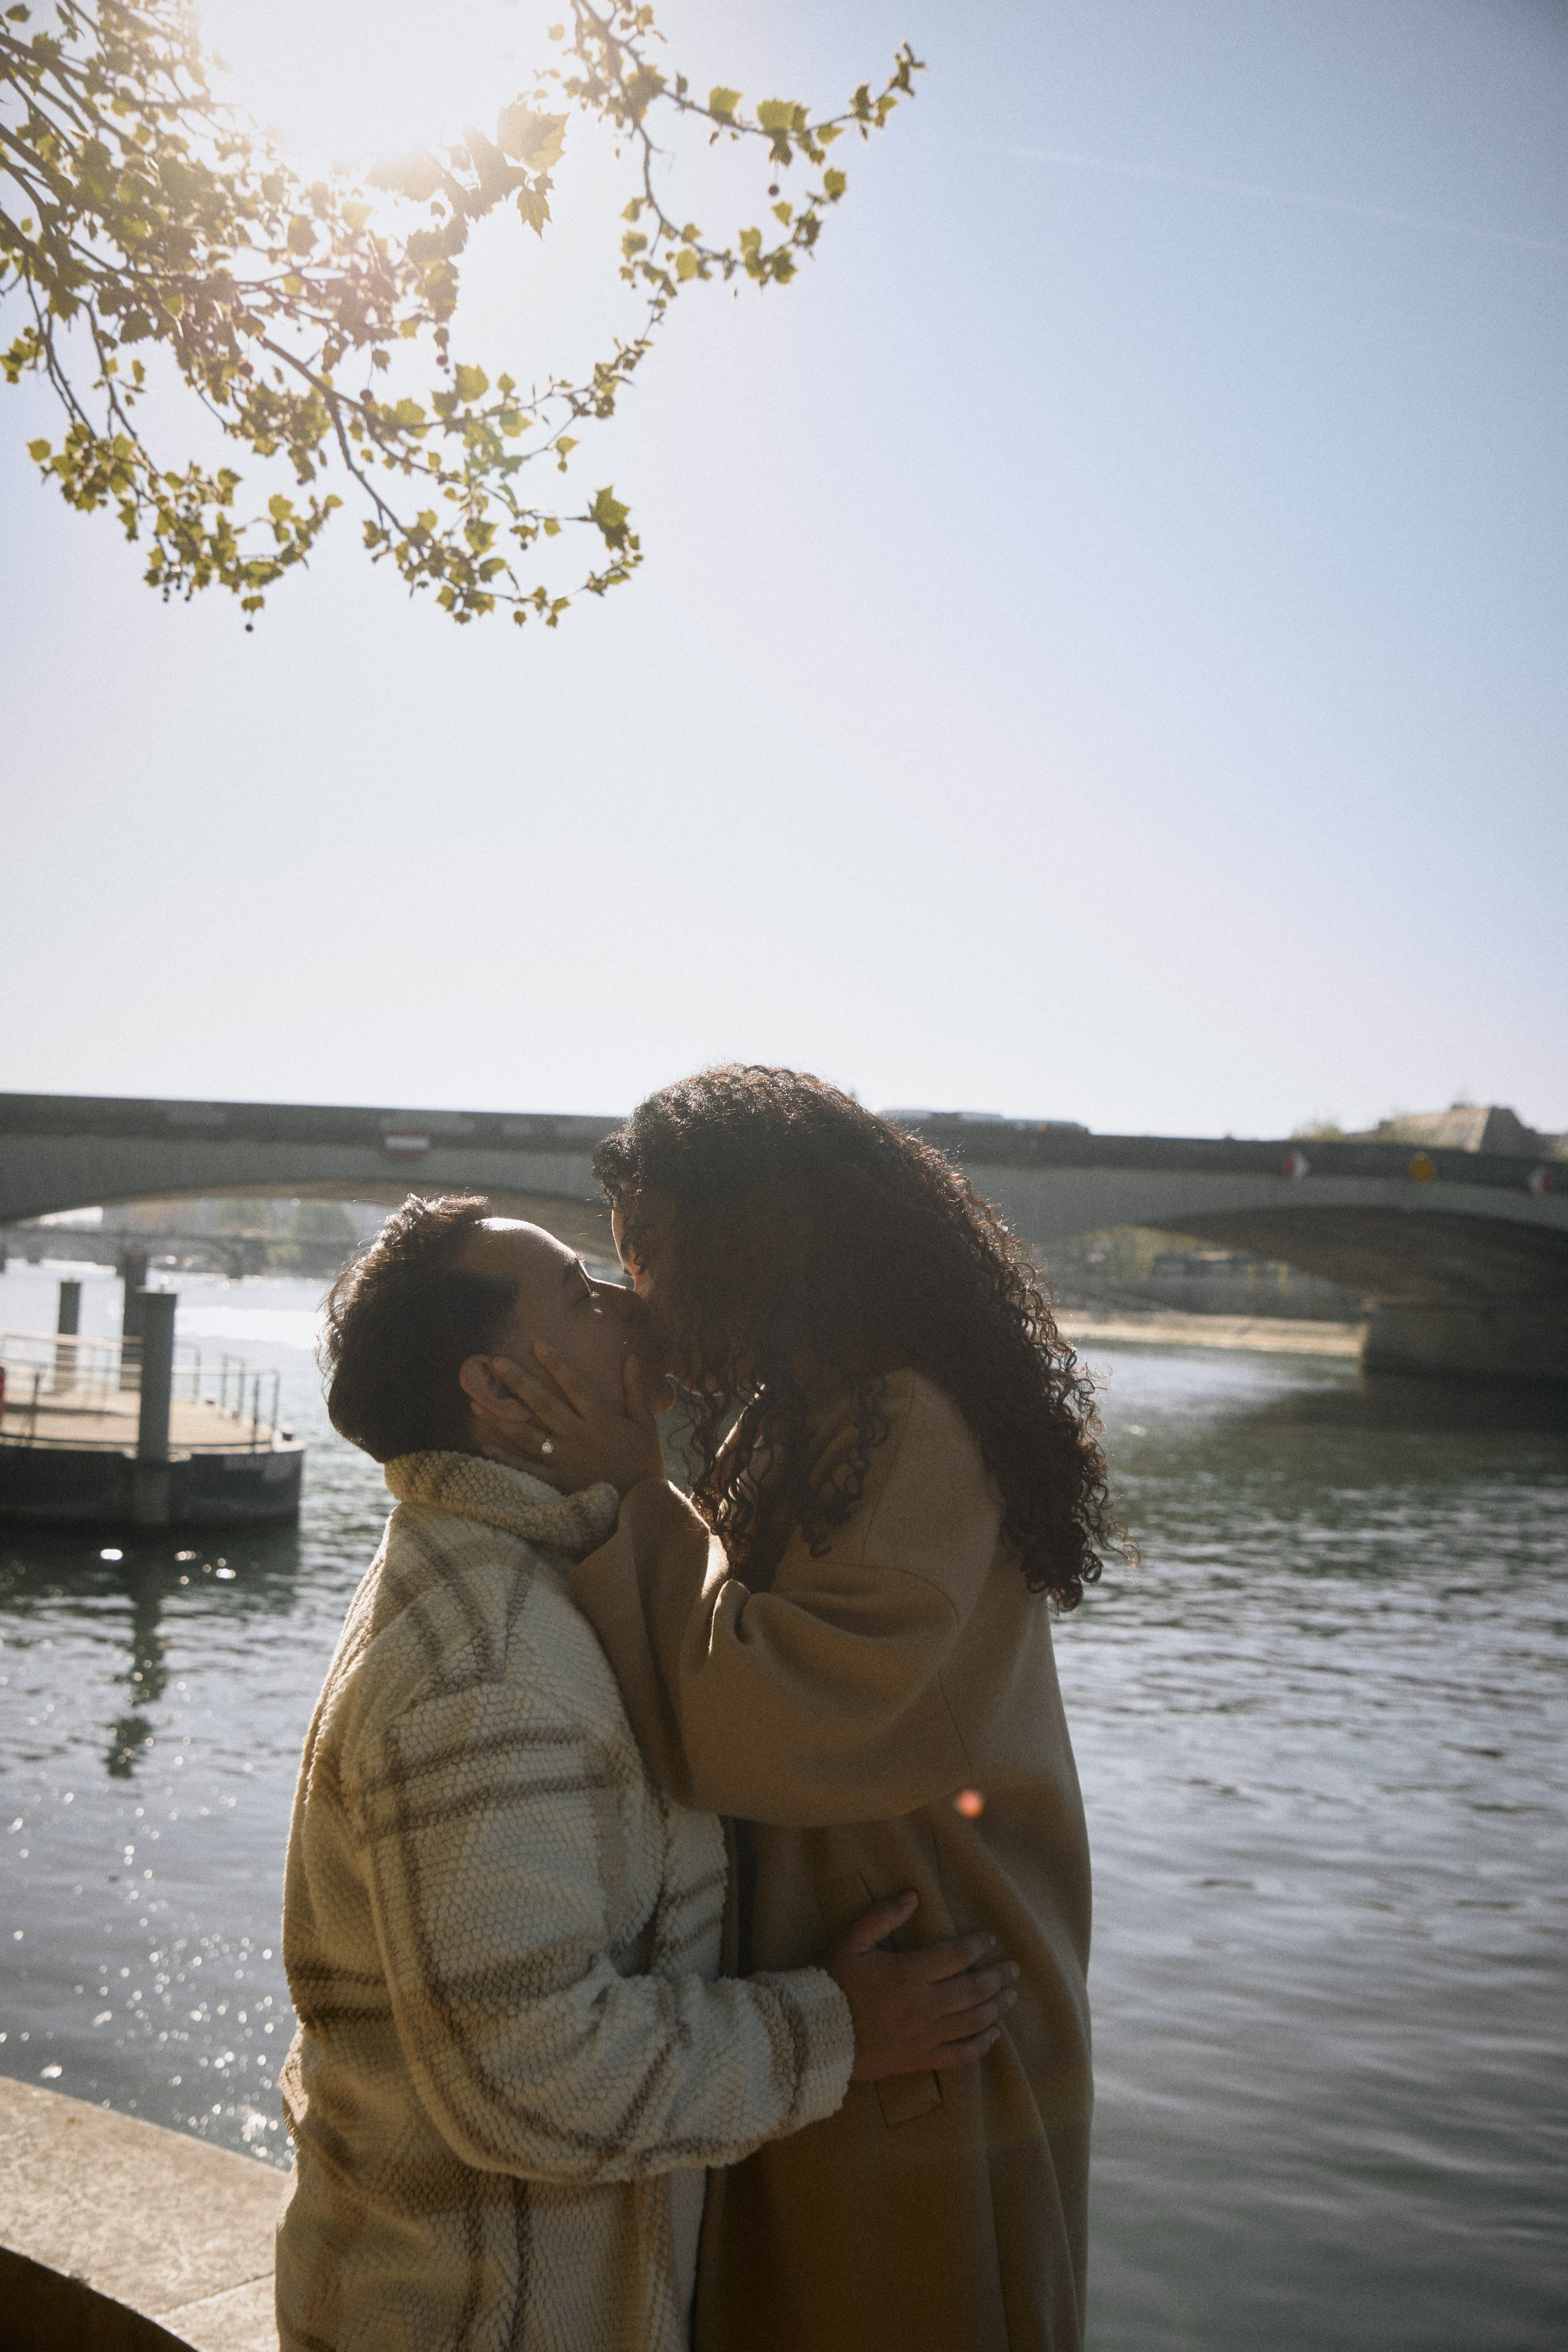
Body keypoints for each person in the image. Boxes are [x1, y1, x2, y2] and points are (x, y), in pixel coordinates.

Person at [274, 1192, 1017, 2352]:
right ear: (499, 1387)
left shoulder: (534, 1581)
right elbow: (529, 2075)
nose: (628, 1302)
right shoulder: (488, 1668)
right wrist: (835, 2033)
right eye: (579, 1293)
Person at [469, 1068, 1123, 2352]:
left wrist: (627, 1487)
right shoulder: (815, 1410)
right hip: (860, 2003)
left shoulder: (906, 1423)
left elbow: (766, 1720)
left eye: (649, 1252)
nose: (634, 1294)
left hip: (929, 2019)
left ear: (753, 1239)